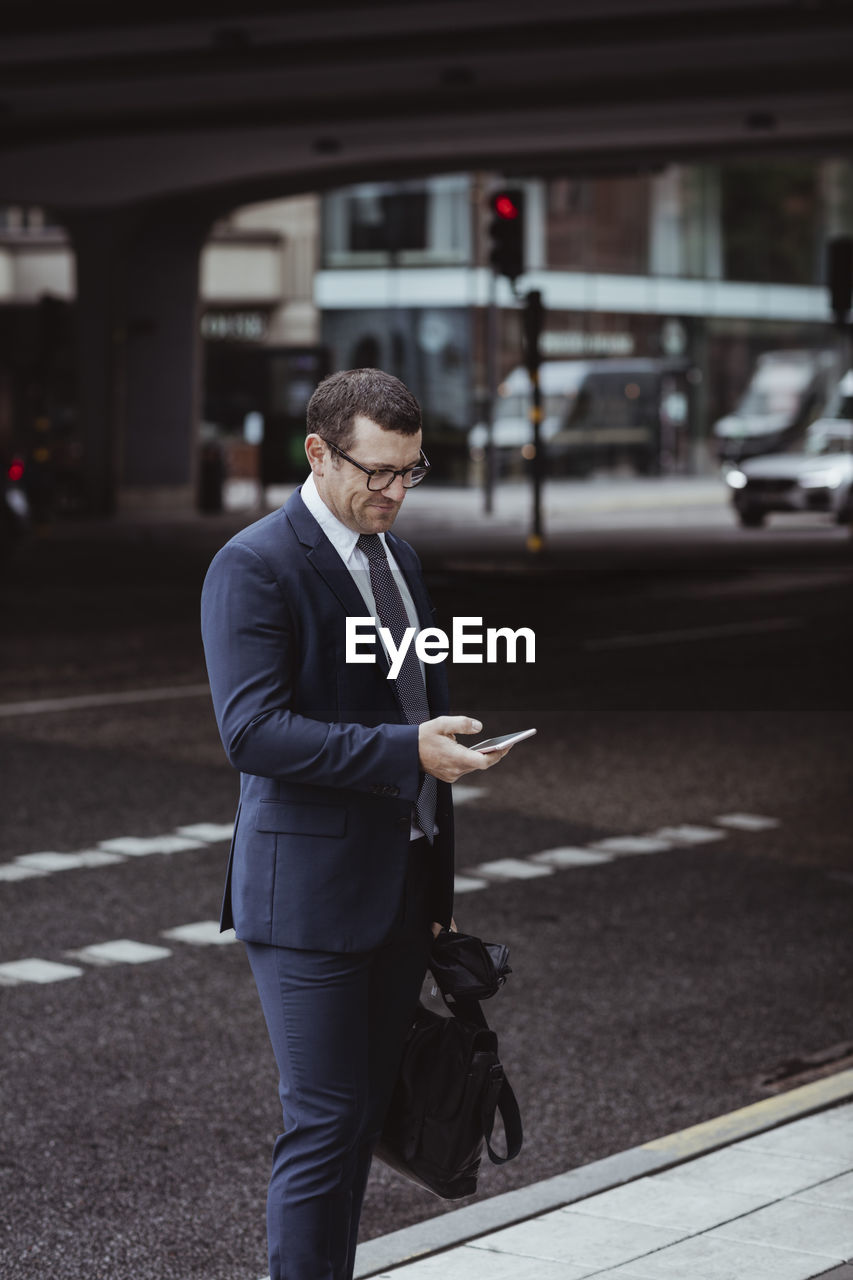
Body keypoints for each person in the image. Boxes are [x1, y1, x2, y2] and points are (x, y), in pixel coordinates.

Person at [200, 368, 512, 1280]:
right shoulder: (254, 564)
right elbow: (251, 732)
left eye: (410, 472)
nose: (392, 493)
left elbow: (413, 705)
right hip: (306, 900)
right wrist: (406, 751)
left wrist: (436, 892)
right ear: (318, 453)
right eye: (375, 472)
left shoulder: (400, 560)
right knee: (326, 1123)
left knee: (364, 1115)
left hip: (399, 889)